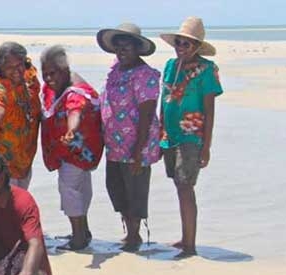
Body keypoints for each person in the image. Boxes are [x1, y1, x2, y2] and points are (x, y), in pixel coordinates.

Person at [159, 17, 223, 259]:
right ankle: (185, 237)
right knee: (178, 184)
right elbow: (163, 101)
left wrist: (206, 147)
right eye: (178, 43)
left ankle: (190, 245)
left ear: (196, 46)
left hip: (192, 135)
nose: (181, 48)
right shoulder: (169, 66)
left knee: (186, 186)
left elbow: (209, 110)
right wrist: (159, 133)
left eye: (186, 44)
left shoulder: (207, 70)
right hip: (170, 135)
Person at [97, 23, 162, 252]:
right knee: (116, 187)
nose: (122, 52)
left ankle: (134, 236)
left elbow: (146, 113)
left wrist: (138, 150)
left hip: (136, 145)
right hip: (114, 145)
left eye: (127, 47)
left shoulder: (146, 75)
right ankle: (128, 232)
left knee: (135, 190)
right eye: (119, 47)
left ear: (137, 49)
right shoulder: (116, 69)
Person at [40, 45, 104, 251]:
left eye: (53, 73)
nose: (49, 78)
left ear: (65, 71)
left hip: (75, 153)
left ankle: (78, 239)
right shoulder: (55, 86)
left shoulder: (75, 92)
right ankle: (83, 232)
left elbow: (74, 111)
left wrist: (70, 131)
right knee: (81, 189)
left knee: (69, 190)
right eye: (45, 74)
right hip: (77, 154)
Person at [0, 42, 42, 189]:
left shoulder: (29, 76)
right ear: (0, 69)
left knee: (20, 204)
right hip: (1, 163)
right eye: (9, 67)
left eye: (19, 65)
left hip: (24, 158)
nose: (16, 71)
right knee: (4, 206)